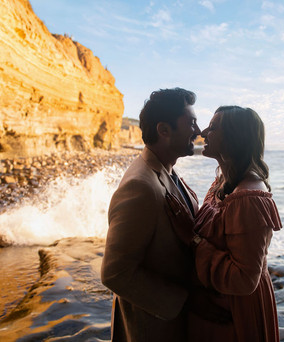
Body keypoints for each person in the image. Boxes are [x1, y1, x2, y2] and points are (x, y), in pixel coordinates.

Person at [167, 105, 282, 342]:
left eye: (214, 127)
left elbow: (244, 279)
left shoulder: (248, 199)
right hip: (215, 304)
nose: (203, 132)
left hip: (234, 312)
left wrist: (194, 239)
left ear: (234, 137)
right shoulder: (223, 181)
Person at [101, 88, 202, 341]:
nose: (198, 131)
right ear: (164, 130)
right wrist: (187, 303)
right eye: (191, 123)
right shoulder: (141, 186)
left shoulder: (165, 168)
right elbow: (115, 272)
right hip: (154, 329)